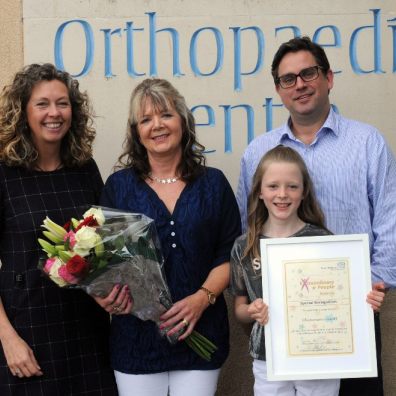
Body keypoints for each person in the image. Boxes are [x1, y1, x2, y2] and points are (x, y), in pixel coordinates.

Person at [237, 36, 396, 396]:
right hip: (278, 321)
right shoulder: (258, 152)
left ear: (328, 78)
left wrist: (370, 287)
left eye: (308, 73)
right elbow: (246, 228)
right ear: (278, 89)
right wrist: (254, 302)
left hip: (351, 316)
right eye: (287, 79)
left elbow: (390, 222)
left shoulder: (367, 143)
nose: (300, 85)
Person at [95, 78, 241, 396]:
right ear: (136, 131)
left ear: (183, 122)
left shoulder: (214, 184)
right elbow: (103, 261)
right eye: (146, 119)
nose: (157, 126)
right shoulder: (119, 187)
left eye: (166, 115)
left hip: (201, 337)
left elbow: (230, 252)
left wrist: (203, 298)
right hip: (136, 341)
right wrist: (103, 294)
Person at [0, 63, 118, 395]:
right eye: (42, 104)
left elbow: (103, 239)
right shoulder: (4, 173)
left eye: (62, 103)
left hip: (86, 331)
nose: (54, 113)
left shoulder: (84, 168)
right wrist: (9, 341)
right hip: (27, 330)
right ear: (23, 111)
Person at [231, 145, 385, 395]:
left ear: (304, 192)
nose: (282, 194)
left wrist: (368, 302)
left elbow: (346, 301)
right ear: (259, 191)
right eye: (273, 186)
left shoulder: (324, 241)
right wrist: (251, 310)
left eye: (292, 186)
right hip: (268, 358)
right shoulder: (244, 247)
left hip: (319, 357)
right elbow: (239, 309)